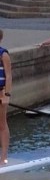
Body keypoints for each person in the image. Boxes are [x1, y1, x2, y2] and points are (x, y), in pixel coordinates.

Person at [0, 30, 11, 164]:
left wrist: (7, 94)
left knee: (2, 124)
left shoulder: (4, 54)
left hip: (1, 92)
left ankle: (4, 156)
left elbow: (8, 75)